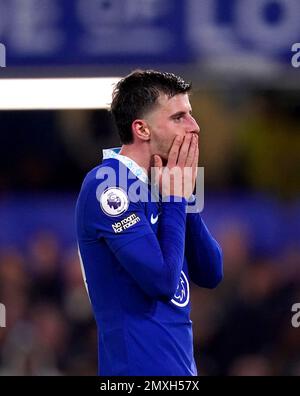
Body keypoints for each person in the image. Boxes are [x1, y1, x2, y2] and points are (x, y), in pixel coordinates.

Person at [75, 70, 223, 376]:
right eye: (179, 117)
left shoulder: (165, 185)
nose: (195, 127)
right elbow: (162, 282)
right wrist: (175, 200)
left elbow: (211, 273)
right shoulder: (107, 184)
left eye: (190, 115)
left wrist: (183, 195)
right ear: (142, 129)